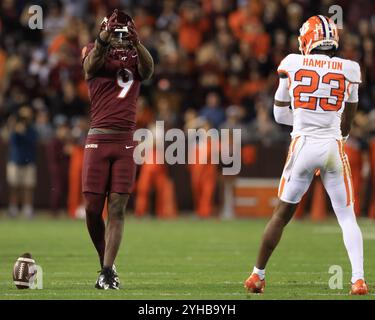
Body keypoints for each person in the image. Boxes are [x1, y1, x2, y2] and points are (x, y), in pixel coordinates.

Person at [244, 16, 368, 295]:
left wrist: (303, 118)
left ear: (307, 38)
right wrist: (337, 131)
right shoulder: (350, 68)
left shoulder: (292, 62)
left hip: (302, 145)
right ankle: (357, 280)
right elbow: (349, 115)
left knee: (281, 215)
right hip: (334, 146)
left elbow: (278, 113)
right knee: (347, 217)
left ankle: (257, 275)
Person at [81, 9, 154, 289]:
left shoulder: (136, 55)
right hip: (98, 138)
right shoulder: (93, 49)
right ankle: (104, 262)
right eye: (117, 31)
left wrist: (137, 42)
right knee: (91, 208)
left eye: (125, 31)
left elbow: (149, 71)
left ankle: (108, 271)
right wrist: (103, 39)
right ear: (104, 30)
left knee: (118, 208)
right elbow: (90, 66)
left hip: (125, 140)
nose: (120, 37)